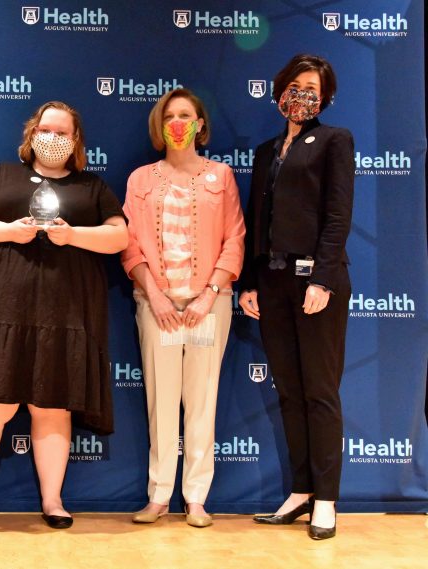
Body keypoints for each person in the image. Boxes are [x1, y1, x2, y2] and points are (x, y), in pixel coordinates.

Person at [0, 101, 128, 535]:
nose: (54, 137)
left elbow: (119, 235)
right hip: (0, 307)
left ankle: (52, 500)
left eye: (63, 132)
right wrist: (11, 230)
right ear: (31, 134)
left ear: (76, 141)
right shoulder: (2, 174)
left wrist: (73, 235)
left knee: (52, 406)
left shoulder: (92, 186)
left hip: (65, 314)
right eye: (46, 129)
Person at [239, 54, 353, 540]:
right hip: (272, 281)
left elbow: (337, 215)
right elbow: (256, 219)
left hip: (316, 282)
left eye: (313, 88)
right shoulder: (266, 151)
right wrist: (248, 281)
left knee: (320, 392)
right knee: (288, 391)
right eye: (295, 85)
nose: (302, 95)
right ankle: (301, 491)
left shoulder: (334, 141)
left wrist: (323, 280)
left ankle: (326, 499)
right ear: (279, 90)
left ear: (325, 97)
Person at [121, 88, 245, 528]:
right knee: (161, 400)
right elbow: (129, 243)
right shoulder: (140, 180)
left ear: (200, 124)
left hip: (209, 306)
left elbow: (235, 237)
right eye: (170, 115)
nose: (178, 122)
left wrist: (210, 293)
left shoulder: (221, 176)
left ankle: (195, 498)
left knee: (202, 400)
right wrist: (154, 295)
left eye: (186, 115)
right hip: (157, 306)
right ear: (160, 126)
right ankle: (158, 495)